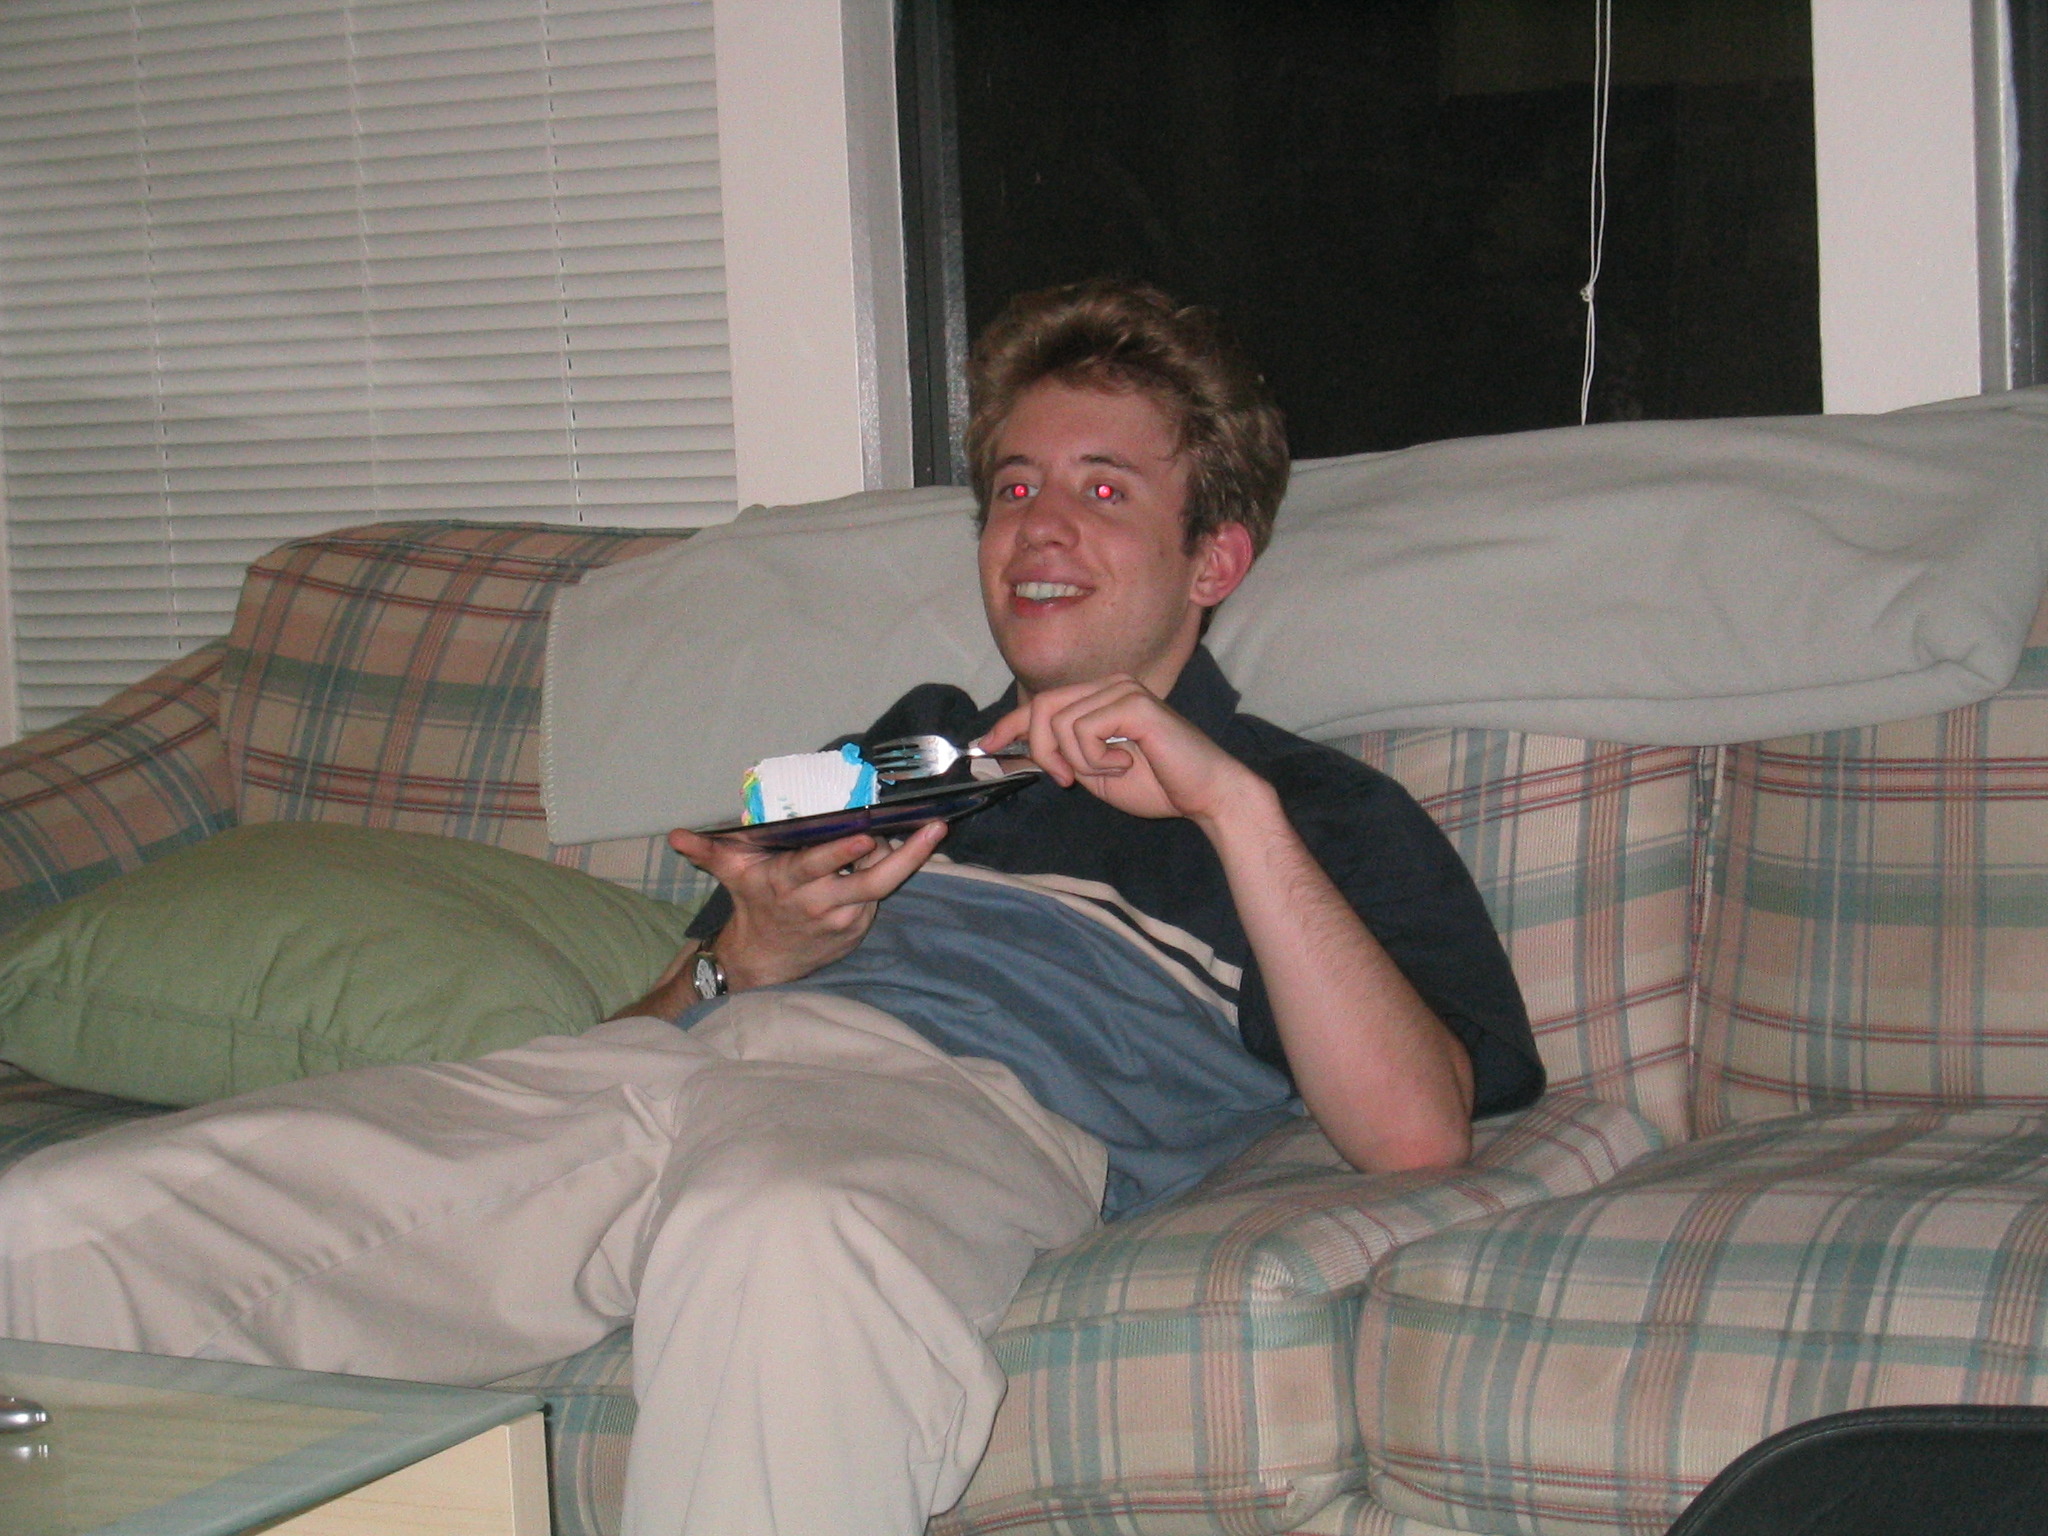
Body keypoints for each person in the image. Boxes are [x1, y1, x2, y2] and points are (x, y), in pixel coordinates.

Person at [0, 280, 1541, 1536]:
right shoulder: (909, 746)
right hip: (668, 1080)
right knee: (67, 1229)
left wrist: (1229, 807)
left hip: (951, 1117)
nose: (1038, 524)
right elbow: (652, 1020)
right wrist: (747, 957)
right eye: (1014, 487)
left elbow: (1415, 1133)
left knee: (780, 1231)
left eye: (1102, 488)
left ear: (1217, 556)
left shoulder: (1313, 809)